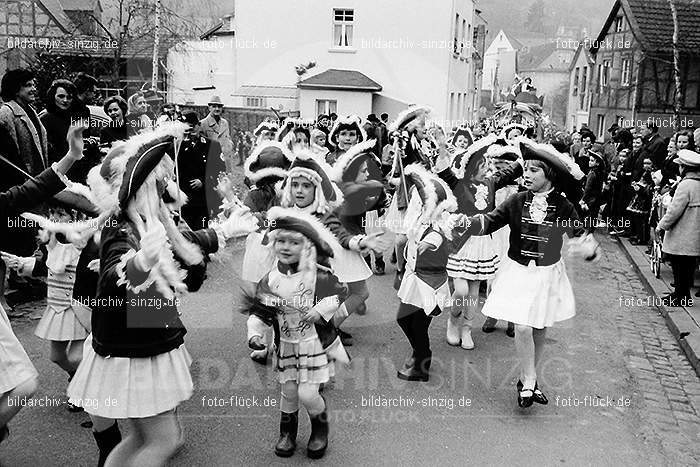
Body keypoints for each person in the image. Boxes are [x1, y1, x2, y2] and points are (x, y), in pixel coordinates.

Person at [66, 123, 257, 466]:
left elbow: (182, 248)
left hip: (142, 338)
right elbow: (111, 279)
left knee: (143, 437)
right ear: (139, 189)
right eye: (158, 181)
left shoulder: (147, 221)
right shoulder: (122, 229)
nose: (168, 187)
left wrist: (222, 232)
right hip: (133, 348)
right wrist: (139, 263)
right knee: (163, 439)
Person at [457, 138, 598, 408]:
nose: (527, 175)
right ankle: (531, 380)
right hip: (519, 271)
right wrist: (466, 222)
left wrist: (587, 247)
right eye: (527, 169)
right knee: (522, 326)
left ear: (549, 176)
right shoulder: (517, 200)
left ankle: (526, 380)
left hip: (547, 273)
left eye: (535, 171)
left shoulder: (564, 206)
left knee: (539, 326)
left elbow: (578, 233)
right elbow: (490, 221)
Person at [0, 124, 87, 445]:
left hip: (76, 309)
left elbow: (27, 192)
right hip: (57, 308)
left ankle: (89, 390)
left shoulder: (76, 239)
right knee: (46, 365)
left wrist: (71, 156)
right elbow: (44, 266)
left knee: (26, 383)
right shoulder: (52, 241)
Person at [242, 207, 349, 459]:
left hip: (313, 344)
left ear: (307, 246)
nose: (286, 246)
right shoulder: (269, 280)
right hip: (286, 345)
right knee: (289, 391)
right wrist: (255, 334)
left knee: (308, 393)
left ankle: (320, 429)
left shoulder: (316, 276)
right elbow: (259, 312)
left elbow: (340, 292)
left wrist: (320, 309)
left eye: (294, 242)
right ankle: (287, 433)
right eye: (281, 240)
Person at [435, 134, 523, 350]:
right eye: (484, 164)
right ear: (473, 166)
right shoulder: (459, 184)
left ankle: (467, 328)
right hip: (462, 242)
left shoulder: (491, 183)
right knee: (462, 290)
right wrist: (441, 147)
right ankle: (452, 322)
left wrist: (527, 154)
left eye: (488, 164)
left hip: (483, 243)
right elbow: (443, 170)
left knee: (474, 291)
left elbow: (511, 171)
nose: (488, 168)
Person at [395, 163, 459, 382]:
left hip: (430, 284)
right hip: (415, 278)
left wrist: (427, 244)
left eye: (423, 202)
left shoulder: (439, 225)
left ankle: (422, 363)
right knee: (403, 319)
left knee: (418, 325)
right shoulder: (421, 220)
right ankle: (420, 352)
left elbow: (437, 238)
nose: (420, 206)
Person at [240, 141, 294, 364]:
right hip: (261, 250)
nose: (275, 184)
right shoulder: (253, 197)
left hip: (281, 250)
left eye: (279, 179)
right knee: (262, 299)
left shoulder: (290, 195)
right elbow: (246, 218)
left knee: (279, 299)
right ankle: (263, 344)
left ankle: (275, 345)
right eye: (270, 179)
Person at [0, 68, 50, 296]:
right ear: (15, 88)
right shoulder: (7, 113)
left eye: (33, 84)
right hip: (19, 182)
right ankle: (13, 276)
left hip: (34, 182)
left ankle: (23, 274)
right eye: (28, 85)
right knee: (17, 231)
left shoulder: (30, 110)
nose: (33, 89)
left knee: (30, 230)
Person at [656, 149, 700, 306]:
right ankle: (681, 295)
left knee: (678, 265)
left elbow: (673, 211)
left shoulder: (685, 185)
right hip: (695, 234)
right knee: (688, 266)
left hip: (682, 233)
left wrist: (661, 226)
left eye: (680, 166)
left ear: (685, 168)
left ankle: (681, 296)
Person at [176, 112, 226, 229]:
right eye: (186, 127)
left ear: (199, 125)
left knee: (202, 232)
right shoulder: (176, 147)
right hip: (182, 198)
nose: (191, 130)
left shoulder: (211, 145)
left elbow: (220, 169)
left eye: (193, 126)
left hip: (203, 198)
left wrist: (203, 181)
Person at [39, 79, 77, 164]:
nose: (65, 100)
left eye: (69, 97)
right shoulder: (45, 118)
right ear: (53, 96)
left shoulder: (72, 117)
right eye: (61, 96)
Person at [200, 95, 235, 172]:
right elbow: (202, 146)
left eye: (219, 107)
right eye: (214, 106)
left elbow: (227, 138)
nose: (217, 109)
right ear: (209, 108)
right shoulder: (203, 124)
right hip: (211, 162)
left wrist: (229, 146)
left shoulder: (225, 123)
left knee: (226, 182)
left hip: (225, 160)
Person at [627, 157, 655, 245]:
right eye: (644, 163)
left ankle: (642, 239)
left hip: (644, 200)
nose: (646, 166)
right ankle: (636, 235)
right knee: (636, 218)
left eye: (648, 163)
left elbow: (649, 188)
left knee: (642, 221)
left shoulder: (652, 174)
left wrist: (640, 189)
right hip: (639, 198)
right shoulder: (644, 173)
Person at [580, 148, 607, 232]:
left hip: (591, 198)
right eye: (589, 160)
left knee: (589, 215)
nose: (589, 162)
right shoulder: (600, 172)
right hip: (597, 197)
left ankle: (587, 231)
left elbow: (588, 188)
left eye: (592, 161)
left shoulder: (592, 173)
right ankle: (591, 230)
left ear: (597, 163)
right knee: (594, 215)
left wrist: (583, 199)